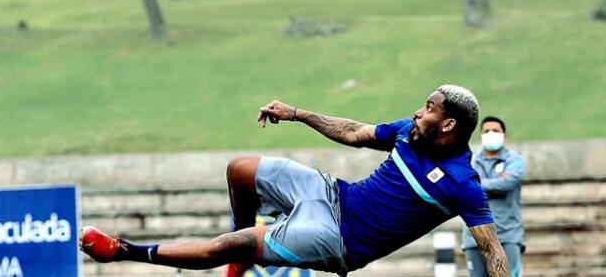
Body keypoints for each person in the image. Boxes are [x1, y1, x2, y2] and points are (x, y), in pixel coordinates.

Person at [80, 85, 510, 277]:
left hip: (338, 240)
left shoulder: (462, 183)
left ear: (449, 123)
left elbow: (492, 250)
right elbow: (354, 132)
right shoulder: (406, 132)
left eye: (429, 107)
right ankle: (242, 256)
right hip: (332, 193)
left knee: (231, 243)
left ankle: (122, 252)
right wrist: (298, 113)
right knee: (240, 169)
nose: (419, 111)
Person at [461, 116, 526, 277]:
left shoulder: (515, 160)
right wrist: (495, 182)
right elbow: (463, 186)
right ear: (480, 137)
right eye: (487, 131)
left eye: (495, 131)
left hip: (507, 235)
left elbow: (507, 183)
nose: (491, 133)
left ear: (504, 136)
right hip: (474, 235)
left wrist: (478, 184)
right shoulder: (469, 162)